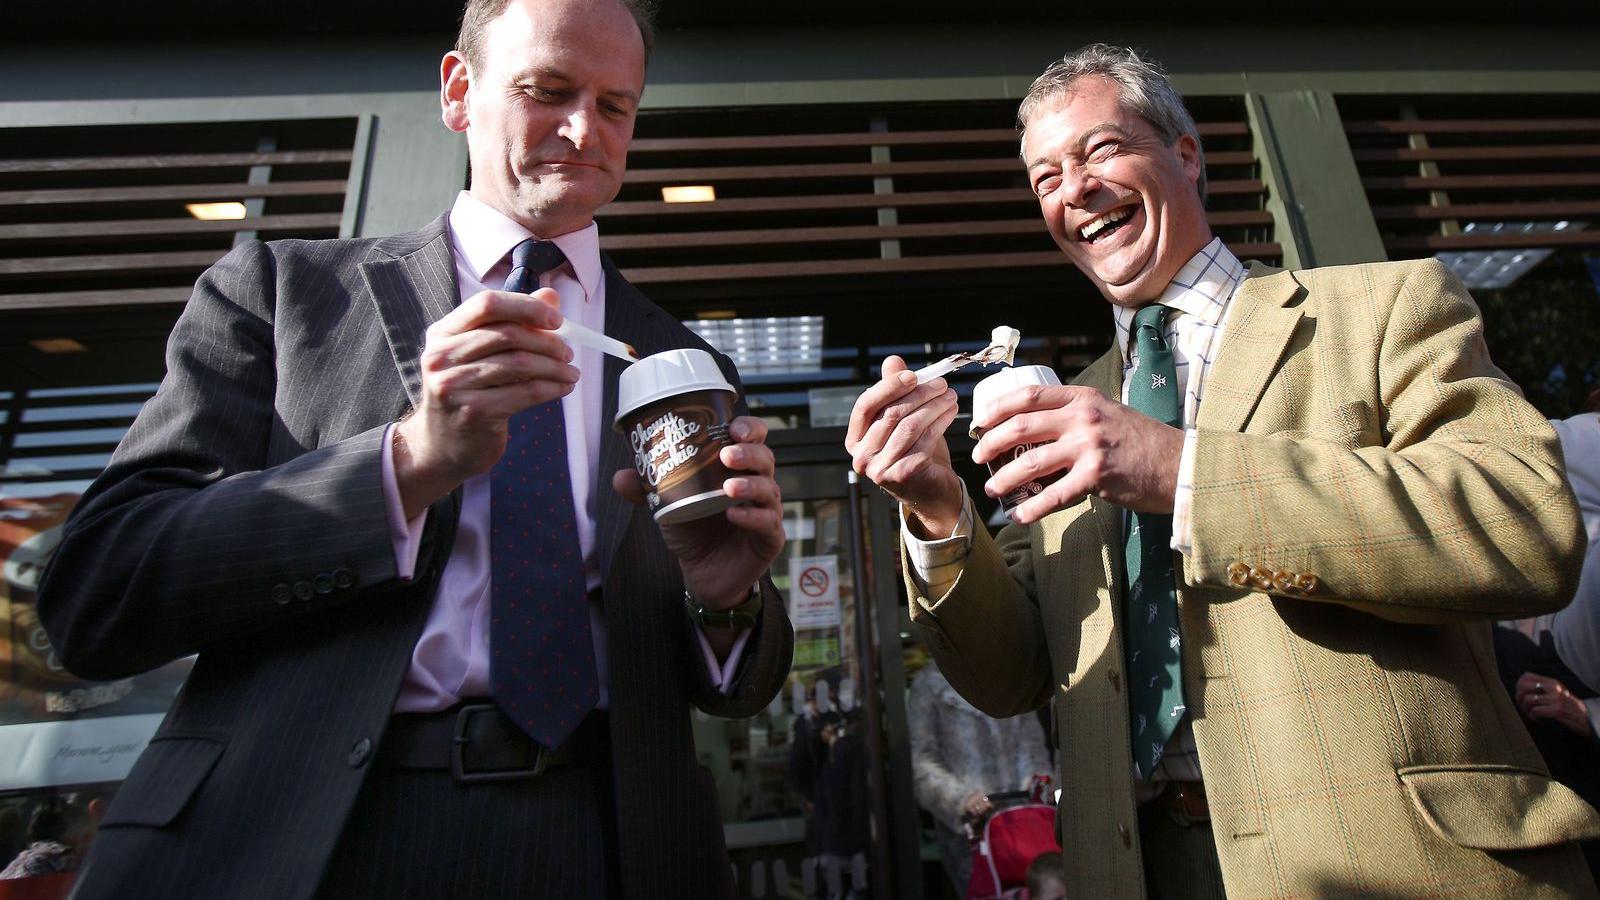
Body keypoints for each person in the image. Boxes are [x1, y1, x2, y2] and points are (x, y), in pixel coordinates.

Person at [34, 0, 793, 897]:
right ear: (458, 91)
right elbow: (94, 598)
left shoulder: (681, 365)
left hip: (610, 838)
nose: (584, 129)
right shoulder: (286, 296)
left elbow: (731, 688)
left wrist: (726, 600)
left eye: (616, 105)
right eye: (547, 89)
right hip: (309, 834)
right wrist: (408, 461)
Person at [846, 42, 1598, 899]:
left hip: (1399, 861)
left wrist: (1180, 470)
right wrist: (939, 512)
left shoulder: (1383, 309)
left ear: (1188, 154)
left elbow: (1529, 525)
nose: (1074, 190)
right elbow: (1013, 672)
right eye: (1045, 177)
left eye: (1099, 150)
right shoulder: (1065, 405)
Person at [1496, 405, 1600, 879]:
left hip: (1577, 722)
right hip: (1534, 665)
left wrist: (1589, 717)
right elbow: (1507, 456)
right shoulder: (1583, 442)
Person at [908, 658, 1050, 893]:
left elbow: (1030, 744)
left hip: (1022, 820)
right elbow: (922, 761)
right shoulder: (929, 684)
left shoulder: (1008, 678)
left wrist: (1038, 783)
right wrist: (961, 799)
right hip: (970, 830)